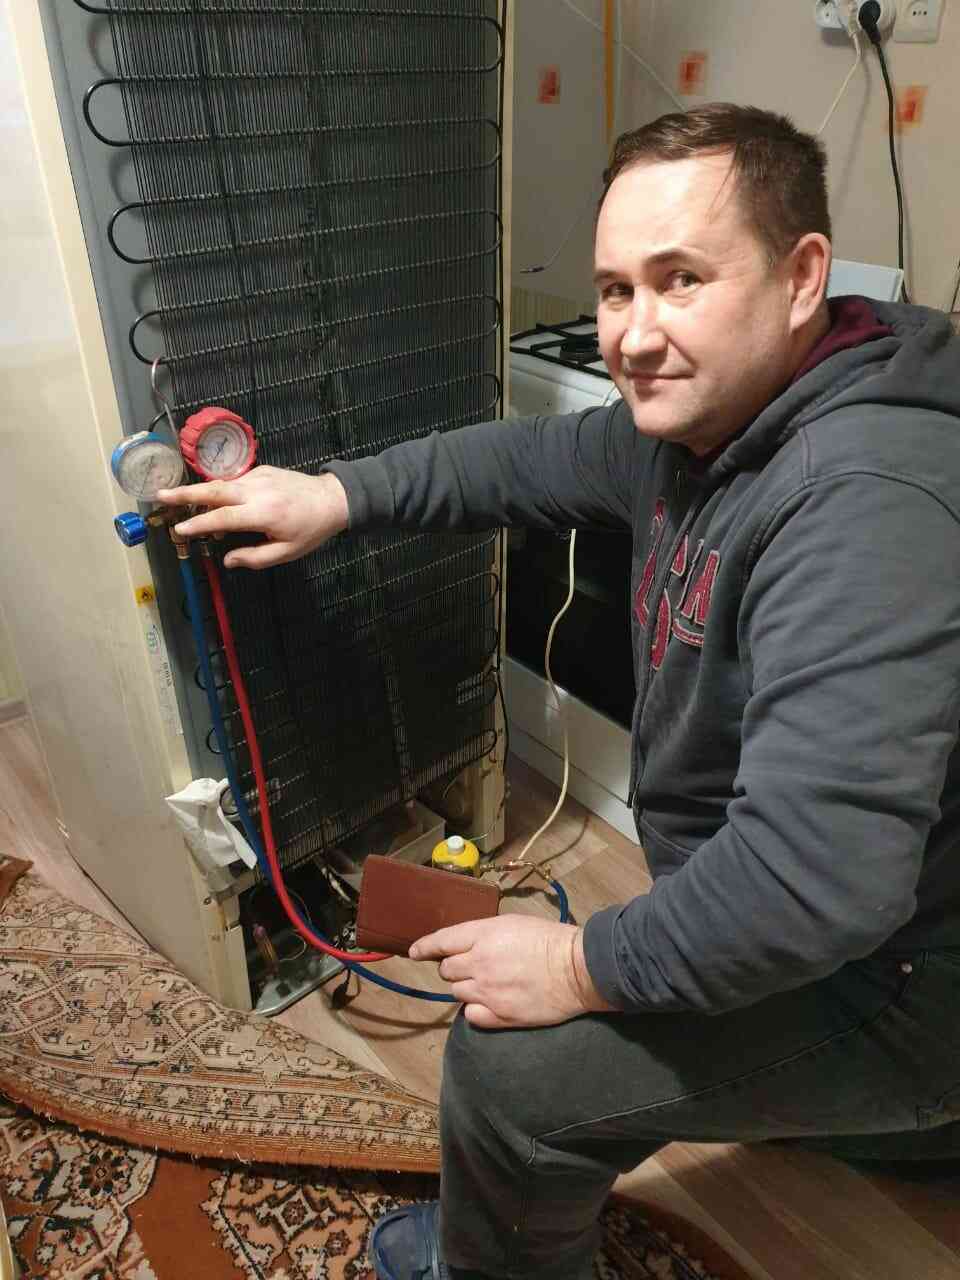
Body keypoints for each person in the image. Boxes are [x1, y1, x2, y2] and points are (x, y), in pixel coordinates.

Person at [159, 104, 960, 1280]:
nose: (635, 334)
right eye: (616, 289)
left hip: (900, 978)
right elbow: (518, 461)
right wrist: (335, 495)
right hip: (856, 929)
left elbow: (811, 880)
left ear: (802, 278)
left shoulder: (863, 503)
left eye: (681, 280)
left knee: (512, 1069)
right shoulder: (698, 428)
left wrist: (580, 964)